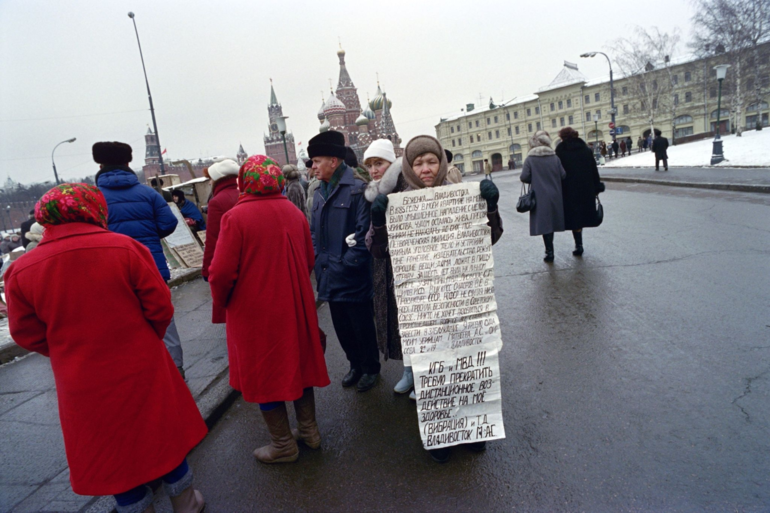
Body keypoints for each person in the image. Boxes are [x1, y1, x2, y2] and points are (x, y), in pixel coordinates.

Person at [5, 183, 207, 513]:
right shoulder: (125, 248)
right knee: (161, 434)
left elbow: (25, 332)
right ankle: (186, 503)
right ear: (94, 209)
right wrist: (144, 338)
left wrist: (64, 349)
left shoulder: (23, 270)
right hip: (141, 363)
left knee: (111, 451)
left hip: (81, 378)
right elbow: (160, 307)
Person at [368, 135, 503, 463]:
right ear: (409, 168)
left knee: (468, 364)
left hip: (463, 301)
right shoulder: (398, 201)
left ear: (441, 163)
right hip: (423, 306)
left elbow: (491, 237)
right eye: (418, 163)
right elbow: (377, 251)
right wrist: (379, 223)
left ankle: (473, 429)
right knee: (433, 370)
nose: (426, 169)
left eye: (431, 161)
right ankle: (442, 433)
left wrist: (491, 207)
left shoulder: (462, 193)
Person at [209, 155, 330, 464]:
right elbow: (308, 259)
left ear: (243, 182)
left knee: (265, 375)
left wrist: (224, 301)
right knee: (298, 365)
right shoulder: (292, 211)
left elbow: (220, 272)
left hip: (254, 312)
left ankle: (282, 445)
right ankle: (309, 431)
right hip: (295, 304)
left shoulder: (235, 218)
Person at [93, 142, 186, 377]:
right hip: (150, 265)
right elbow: (169, 223)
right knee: (164, 319)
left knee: (121, 322)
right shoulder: (148, 193)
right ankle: (175, 369)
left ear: (100, 164)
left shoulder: (94, 198)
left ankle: (135, 372)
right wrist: (149, 234)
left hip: (110, 271)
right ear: (127, 163)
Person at [308, 131, 380, 392]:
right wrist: (318, 258)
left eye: (316, 161)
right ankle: (355, 365)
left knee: (361, 327)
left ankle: (371, 368)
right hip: (328, 273)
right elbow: (314, 232)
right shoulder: (318, 192)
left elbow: (364, 237)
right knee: (342, 328)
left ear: (334, 161)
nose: (313, 167)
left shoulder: (357, 191)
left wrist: (346, 263)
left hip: (352, 275)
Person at [362, 139, 412, 393]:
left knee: (416, 320)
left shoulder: (407, 186)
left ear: (391, 162)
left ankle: (425, 375)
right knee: (399, 321)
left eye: (378, 163)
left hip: (413, 268)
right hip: (387, 268)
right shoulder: (376, 194)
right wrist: (378, 225)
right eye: (369, 165)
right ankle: (409, 370)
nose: (373, 170)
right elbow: (373, 244)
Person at [555, 127, 604, 256]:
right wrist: (597, 186)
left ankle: (578, 245)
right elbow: (594, 169)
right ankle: (579, 244)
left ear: (563, 137)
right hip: (585, 188)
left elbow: (558, 172)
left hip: (568, 189)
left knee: (574, 216)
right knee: (582, 215)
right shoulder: (585, 149)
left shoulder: (560, 150)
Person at [521, 131, 566, 262]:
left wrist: (535, 178)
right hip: (555, 194)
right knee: (551, 222)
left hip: (539, 196)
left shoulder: (530, 159)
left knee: (545, 224)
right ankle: (550, 250)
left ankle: (549, 252)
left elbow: (524, 177)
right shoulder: (555, 157)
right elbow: (563, 175)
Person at [201, 158, 240, 311]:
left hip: (228, 261)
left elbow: (213, 239)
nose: (209, 183)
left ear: (217, 179)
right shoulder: (242, 194)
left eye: (210, 179)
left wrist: (206, 269)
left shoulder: (217, 202)